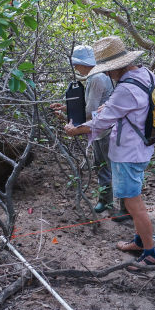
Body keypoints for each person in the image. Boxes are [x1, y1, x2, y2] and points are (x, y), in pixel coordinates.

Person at [63, 36, 155, 267]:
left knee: (134, 204)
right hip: (142, 147)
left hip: (128, 153)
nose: (106, 74)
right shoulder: (145, 75)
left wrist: (74, 130)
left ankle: (150, 253)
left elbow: (101, 123)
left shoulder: (125, 89)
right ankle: (139, 241)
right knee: (132, 199)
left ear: (117, 66)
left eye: (108, 70)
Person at [50, 45, 114, 213]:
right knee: (104, 166)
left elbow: (89, 112)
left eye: (76, 65)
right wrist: (66, 108)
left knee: (105, 167)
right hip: (102, 130)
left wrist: (68, 120)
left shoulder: (96, 78)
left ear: (84, 64)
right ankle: (108, 201)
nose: (76, 68)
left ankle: (110, 203)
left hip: (105, 130)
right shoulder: (97, 76)